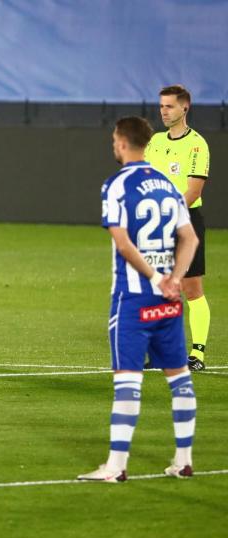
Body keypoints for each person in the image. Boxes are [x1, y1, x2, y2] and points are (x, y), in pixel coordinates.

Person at [78, 117, 199, 483]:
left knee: (127, 380)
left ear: (121, 141)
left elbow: (123, 241)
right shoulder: (167, 184)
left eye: (114, 140)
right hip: (169, 299)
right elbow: (190, 239)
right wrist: (174, 279)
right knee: (179, 378)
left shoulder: (116, 185)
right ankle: (184, 460)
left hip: (134, 298)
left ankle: (116, 466)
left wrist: (154, 277)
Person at [144, 85, 211, 371]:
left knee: (191, 288)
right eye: (161, 106)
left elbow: (193, 192)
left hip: (186, 223)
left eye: (169, 106)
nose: (163, 111)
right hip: (157, 224)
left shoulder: (197, 145)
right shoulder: (156, 142)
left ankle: (197, 354)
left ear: (185, 108)